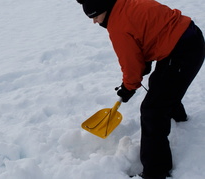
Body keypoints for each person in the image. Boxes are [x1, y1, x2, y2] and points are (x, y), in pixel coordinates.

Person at [76, 0, 205, 179]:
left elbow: (130, 64)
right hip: (189, 37)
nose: (95, 22)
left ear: (104, 10)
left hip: (183, 51)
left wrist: (128, 87)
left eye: (95, 16)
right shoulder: (126, 4)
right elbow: (149, 31)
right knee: (161, 85)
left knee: (152, 110)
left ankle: (155, 171)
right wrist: (143, 64)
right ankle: (178, 117)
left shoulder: (118, 26)